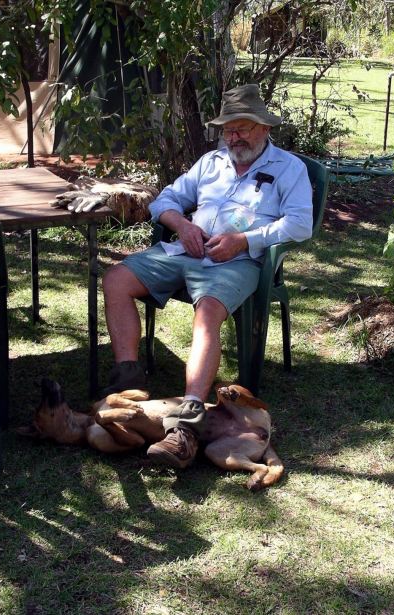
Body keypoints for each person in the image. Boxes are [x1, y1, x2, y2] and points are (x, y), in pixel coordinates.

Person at [101, 84, 313, 469]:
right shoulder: (210, 163)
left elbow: (300, 224)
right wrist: (182, 226)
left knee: (208, 311)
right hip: (186, 250)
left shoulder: (289, 168)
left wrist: (244, 240)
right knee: (116, 279)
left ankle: (187, 423)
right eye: (228, 129)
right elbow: (164, 201)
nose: (234, 137)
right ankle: (128, 384)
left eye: (242, 128)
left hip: (239, 262)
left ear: (264, 128)